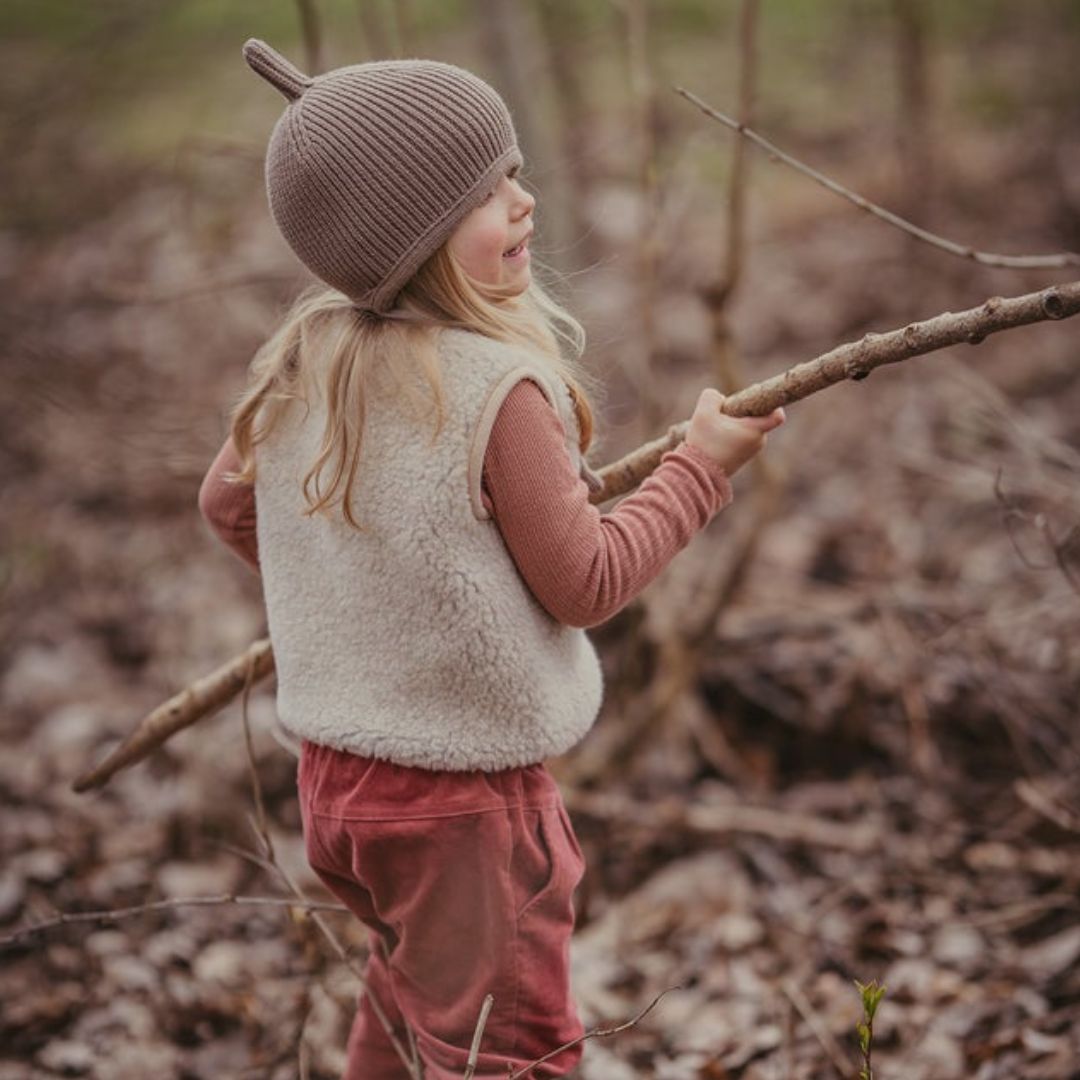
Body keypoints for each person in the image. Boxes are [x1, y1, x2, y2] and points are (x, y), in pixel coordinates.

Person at [198, 38, 785, 1080]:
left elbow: (227, 505)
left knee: (409, 996)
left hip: (338, 790)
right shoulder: (497, 389)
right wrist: (699, 468)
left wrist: (362, 599)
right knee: (507, 1052)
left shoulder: (304, 362)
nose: (522, 203)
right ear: (409, 235)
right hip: (465, 804)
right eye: (486, 191)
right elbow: (586, 580)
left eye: (513, 173)